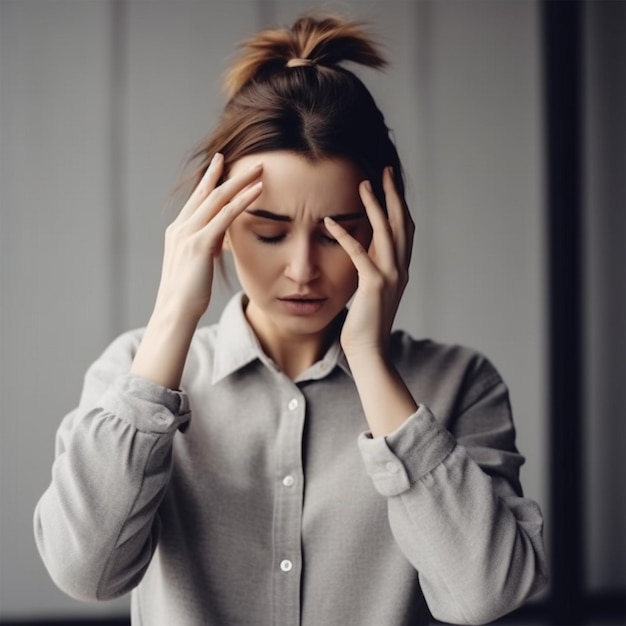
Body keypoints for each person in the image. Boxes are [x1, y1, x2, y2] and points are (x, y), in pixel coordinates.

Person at [34, 12, 548, 626]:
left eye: (338, 235)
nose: (302, 270)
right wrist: (174, 311)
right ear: (217, 221)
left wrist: (371, 361)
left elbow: (486, 594)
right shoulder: (134, 371)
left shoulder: (460, 382)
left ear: (388, 230)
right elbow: (85, 572)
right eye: (271, 232)